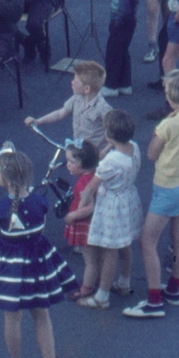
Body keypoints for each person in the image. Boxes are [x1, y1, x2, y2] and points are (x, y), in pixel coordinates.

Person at [0, 150, 77, 358]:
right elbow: (39, 223)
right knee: (41, 312)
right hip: (37, 263)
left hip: (10, 267)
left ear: (3, 179)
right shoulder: (40, 202)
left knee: (12, 316)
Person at [123, 71, 179, 318]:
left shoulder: (168, 124)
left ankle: (154, 301)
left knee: (147, 241)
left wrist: (158, 132)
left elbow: (151, 153)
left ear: (173, 97)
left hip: (168, 186)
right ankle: (173, 289)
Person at [75, 109, 143, 309]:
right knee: (124, 244)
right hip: (128, 199)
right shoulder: (134, 147)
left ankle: (102, 296)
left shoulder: (110, 162)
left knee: (109, 250)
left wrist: (80, 206)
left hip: (112, 206)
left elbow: (91, 187)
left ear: (109, 134)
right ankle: (124, 281)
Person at [25, 60, 111, 150]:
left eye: (75, 80)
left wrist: (104, 152)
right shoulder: (76, 99)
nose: (72, 82)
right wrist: (38, 121)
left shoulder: (103, 108)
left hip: (95, 154)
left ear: (87, 89)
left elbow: (117, 133)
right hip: (80, 149)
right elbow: (59, 113)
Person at [102, 0, 142, 96]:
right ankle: (125, 84)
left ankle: (111, 86)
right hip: (130, 23)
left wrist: (116, 23)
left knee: (113, 53)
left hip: (121, 24)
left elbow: (124, 9)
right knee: (123, 52)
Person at [61, 142, 99, 271]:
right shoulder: (94, 174)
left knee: (90, 261)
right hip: (95, 222)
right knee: (96, 258)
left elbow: (89, 207)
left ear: (80, 164)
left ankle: (87, 287)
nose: (67, 164)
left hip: (86, 224)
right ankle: (97, 281)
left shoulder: (84, 182)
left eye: (70, 161)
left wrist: (72, 215)